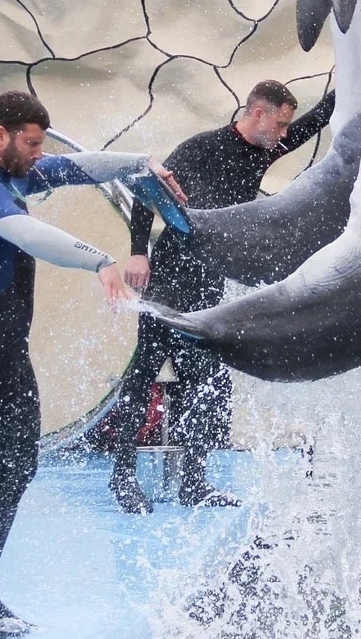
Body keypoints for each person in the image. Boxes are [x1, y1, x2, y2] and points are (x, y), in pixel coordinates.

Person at [0, 90, 185, 639]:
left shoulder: (9, 175)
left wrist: (136, 163)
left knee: (17, 468)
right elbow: (35, 237)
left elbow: (75, 168)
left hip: (7, 353)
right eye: (29, 144)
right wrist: (101, 261)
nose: (37, 156)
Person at [112, 80, 335, 514]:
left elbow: (314, 122)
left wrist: (353, 69)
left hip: (211, 285)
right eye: (280, 123)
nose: (286, 133)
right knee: (144, 377)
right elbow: (147, 191)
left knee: (208, 387)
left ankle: (194, 482)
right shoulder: (202, 147)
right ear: (257, 114)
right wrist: (139, 253)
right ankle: (122, 477)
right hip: (170, 280)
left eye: (288, 124)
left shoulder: (265, 150)